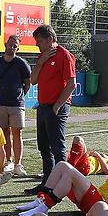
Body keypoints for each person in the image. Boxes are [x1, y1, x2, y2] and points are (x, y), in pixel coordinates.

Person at [15, 129, 108, 216]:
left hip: (100, 203)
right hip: (95, 200)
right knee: (61, 165)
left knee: (67, 170)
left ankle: (44, 207)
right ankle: (41, 200)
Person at [25, 25, 76, 195]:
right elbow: (33, 80)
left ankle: (62, 186)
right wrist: (40, 62)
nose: (37, 45)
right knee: (44, 147)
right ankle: (47, 183)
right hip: (43, 107)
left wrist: (57, 106)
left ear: (50, 39)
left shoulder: (64, 55)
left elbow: (71, 85)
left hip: (56, 107)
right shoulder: (43, 56)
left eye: (39, 41)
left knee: (57, 148)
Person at [0, 34, 31, 177]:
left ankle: (18, 164)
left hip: (17, 105)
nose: (12, 47)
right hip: (0, 104)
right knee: (4, 133)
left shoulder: (22, 64)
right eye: (10, 44)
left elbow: (27, 83)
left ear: (18, 48)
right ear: (5, 44)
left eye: (15, 46)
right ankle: (8, 161)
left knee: (17, 133)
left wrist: (20, 95)